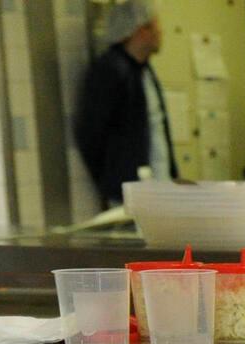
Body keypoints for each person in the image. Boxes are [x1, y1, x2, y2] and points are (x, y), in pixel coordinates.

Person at [74, 0, 175, 207]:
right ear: (139, 31)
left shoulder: (143, 72)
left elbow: (157, 130)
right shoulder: (111, 71)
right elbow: (91, 132)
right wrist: (114, 178)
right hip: (129, 193)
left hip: (157, 187)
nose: (160, 33)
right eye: (154, 26)